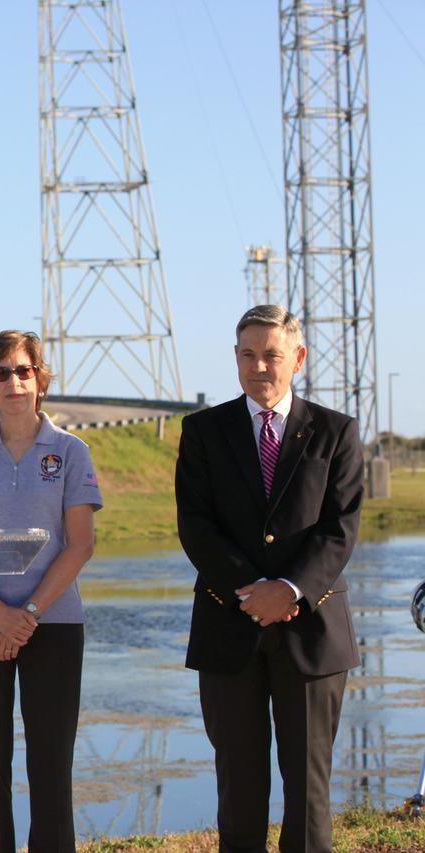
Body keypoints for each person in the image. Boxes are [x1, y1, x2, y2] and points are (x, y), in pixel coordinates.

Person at [176, 305, 363, 852]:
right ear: (236, 359)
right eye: (249, 355)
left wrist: (289, 591)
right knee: (239, 785)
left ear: (297, 359)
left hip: (313, 632)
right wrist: (251, 594)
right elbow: (196, 525)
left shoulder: (336, 432)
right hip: (228, 626)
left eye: (272, 355)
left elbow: (340, 529)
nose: (260, 366)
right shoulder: (203, 431)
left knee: (308, 789)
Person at [0, 330, 101, 852]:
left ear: (40, 379)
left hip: (54, 624)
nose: (14, 382)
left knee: (51, 762)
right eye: (1, 373)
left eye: (23, 371)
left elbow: (80, 544)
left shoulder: (71, 451)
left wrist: (26, 614)